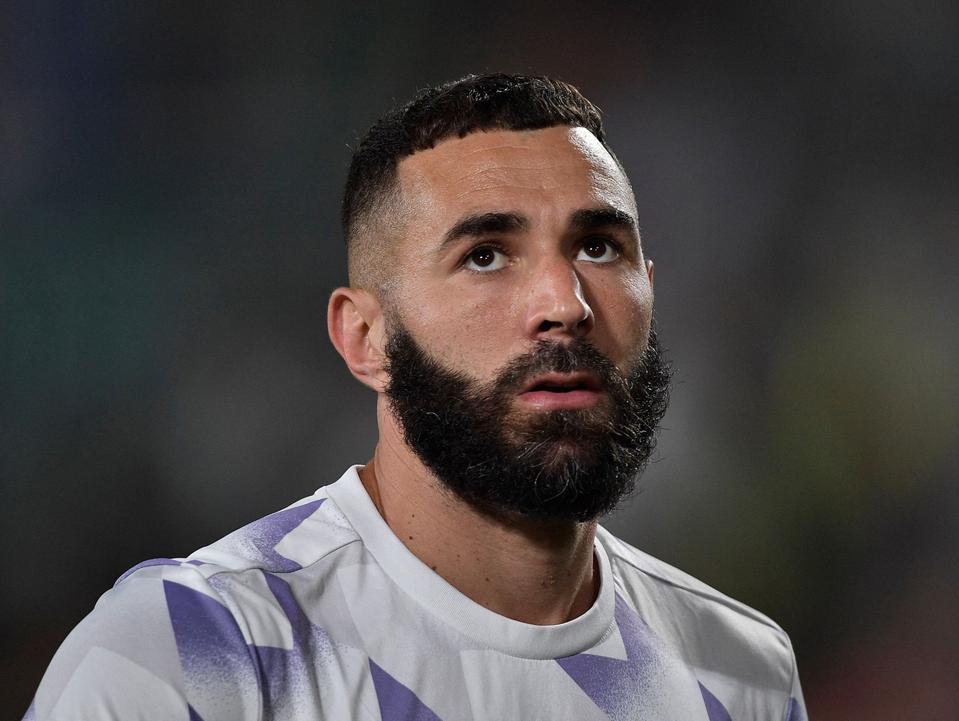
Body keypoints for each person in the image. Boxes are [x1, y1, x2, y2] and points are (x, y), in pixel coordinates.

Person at [24, 74, 807, 721]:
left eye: (598, 246)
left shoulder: (741, 672)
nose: (565, 303)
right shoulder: (186, 656)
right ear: (365, 338)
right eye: (486, 254)